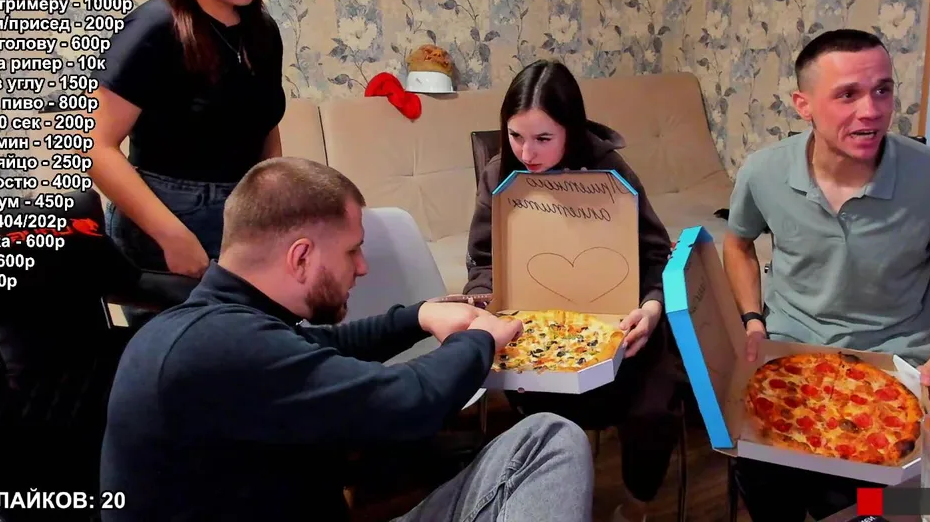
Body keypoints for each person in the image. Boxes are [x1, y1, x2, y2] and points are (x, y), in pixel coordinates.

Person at [100, 156, 595, 522]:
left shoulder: (216, 328)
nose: (362, 267)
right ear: (301, 257)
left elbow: (322, 348)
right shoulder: (217, 348)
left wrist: (418, 316)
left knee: (542, 439)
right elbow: (410, 402)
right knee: (552, 443)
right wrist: (481, 338)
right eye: (352, 251)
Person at [722, 29, 930, 522]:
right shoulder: (762, 172)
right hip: (787, 365)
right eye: (847, 95)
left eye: (882, 90)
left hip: (894, 374)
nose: (871, 110)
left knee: (861, 511)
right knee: (767, 495)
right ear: (803, 105)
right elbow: (737, 243)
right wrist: (752, 319)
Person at [464, 59, 684, 522]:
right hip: (540, 333)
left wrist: (652, 306)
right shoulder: (498, 175)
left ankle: (638, 506)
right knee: (541, 414)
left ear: (572, 129)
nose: (527, 152)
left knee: (652, 409)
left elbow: (655, 253)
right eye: (515, 136)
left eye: (544, 138)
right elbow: (483, 261)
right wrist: (483, 302)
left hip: (621, 326)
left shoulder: (609, 167)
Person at [89, 0, 287, 283]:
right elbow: (94, 146)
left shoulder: (262, 30)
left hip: (243, 215)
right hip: (167, 218)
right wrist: (171, 235)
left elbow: (264, 124)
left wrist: (276, 206)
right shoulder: (154, 28)